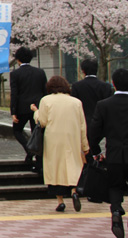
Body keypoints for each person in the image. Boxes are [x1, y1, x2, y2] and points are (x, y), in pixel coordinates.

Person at [31, 76, 89, 213]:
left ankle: (60, 201)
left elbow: (42, 121)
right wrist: (85, 146)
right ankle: (74, 191)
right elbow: (82, 125)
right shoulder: (76, 102)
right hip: (72, 137)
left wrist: (35, 112)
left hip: (53, 138)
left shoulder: (46, 100)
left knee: (55, 167)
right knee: (72, 164)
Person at [89, 68, 128, 238]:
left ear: (112, 83)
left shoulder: (104, 105)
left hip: (114, 154)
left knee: (115, 186)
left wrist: (96, 151)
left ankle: (116, 211)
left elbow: (93, 132)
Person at [10, 46, 48, 166]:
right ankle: (37, 157)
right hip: (37, 107)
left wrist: (13, 111)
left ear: (18, 59)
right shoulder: (40, 72)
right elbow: (45, 91)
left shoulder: (15, 74)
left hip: (21, 107)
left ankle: (29, 150)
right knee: (36, 132)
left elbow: (14, 93)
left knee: (17, 131)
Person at [72, 58, 114, 128]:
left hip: (83, 123)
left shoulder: (76, 86)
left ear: (83, 71)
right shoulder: (106, 86)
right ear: (96, 70)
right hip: (102, 124)